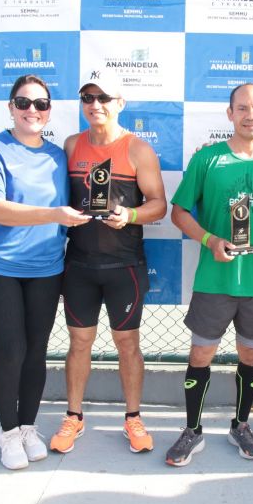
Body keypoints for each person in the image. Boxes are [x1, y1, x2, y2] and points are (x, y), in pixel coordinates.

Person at [165, 83, 253, 466]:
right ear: (230, 114)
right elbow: (179, 213)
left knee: (250, 355)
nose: (250, 115)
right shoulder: (208, 160)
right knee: (201, 353)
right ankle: (192, 430)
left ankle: (240, 425)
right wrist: (210, 240)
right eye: (242, 108)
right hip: (215, 282)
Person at [0, 74, 91, 470]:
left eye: (40, 104)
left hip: (46, 269)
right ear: (11, 108)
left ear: (49, 110)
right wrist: (55, 214)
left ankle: (28, 427)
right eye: (23, 103)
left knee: (36, 351)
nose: (32, 110)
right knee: (10, 349)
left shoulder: (56, 156)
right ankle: (7, 432)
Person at [49, 71, 166, 455]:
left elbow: (158, 205)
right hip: (79, 265)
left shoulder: (137, 149)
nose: (95, 105)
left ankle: (133, 417)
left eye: (103, 98)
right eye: (87, 98)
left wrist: (129, 216)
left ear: (120, 104)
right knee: (79, 342)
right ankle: (74, 417)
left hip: (124, 266)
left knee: (127, 343)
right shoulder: (70, 145)